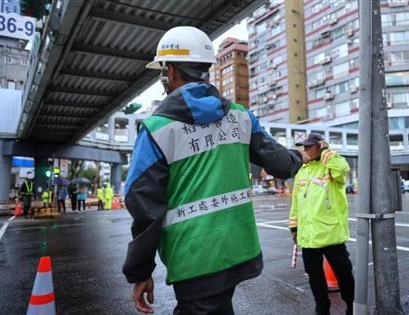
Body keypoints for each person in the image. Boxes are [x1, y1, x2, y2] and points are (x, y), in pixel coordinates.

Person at [122, 26, 303, 315]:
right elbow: (282, 164)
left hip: (194, 258)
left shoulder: (157, 129)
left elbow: (142, 203)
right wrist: (300, 156)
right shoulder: (241, 117)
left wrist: (139, 271)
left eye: (162, 71)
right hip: (237, 249)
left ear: (169, 70)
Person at [289, 133, 354, 315]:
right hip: (308, 236)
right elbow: (296, 202)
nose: (305, 150)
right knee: (315, 276)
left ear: (320, 146)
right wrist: (293, 227)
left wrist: (327, 151)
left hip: (330, 233)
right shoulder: (302, 170)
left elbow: (342, 169)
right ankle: (322, 307)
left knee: (344, 274)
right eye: (303, 146)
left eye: (309, 146)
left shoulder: (331, 165)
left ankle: (351, 305)